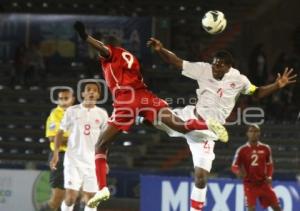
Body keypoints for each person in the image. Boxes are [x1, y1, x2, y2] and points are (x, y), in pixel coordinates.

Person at [73, 21, 230, 208]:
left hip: (126, 99)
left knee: (100, 145)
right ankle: (207, 125)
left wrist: (85, 37)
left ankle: (102, 188)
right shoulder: (130, 56)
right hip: (145, 96)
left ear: (108, 45)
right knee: (178, 125)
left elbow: (102, 49)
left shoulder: (110, 52)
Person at [147, 37, 296, 211]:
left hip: (205, 135)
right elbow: (178, 62)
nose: (214, 67)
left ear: (228, 66)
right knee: (151, 119)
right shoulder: (204, 69)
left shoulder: (239, 79)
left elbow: (256, 93)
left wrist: (277, 85)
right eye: (213, 64)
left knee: (201, 178)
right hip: (189, 116)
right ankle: (139, 116)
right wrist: (160, 49)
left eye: (218, 65)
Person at [49, 81, 108, 211]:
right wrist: (55, 154)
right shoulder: (72, 111)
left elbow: (105, 140)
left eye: (95, 90)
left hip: (92, 162)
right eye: (88, 89)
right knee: (70, 198)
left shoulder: (102, 114)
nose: (91, 91)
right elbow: (59, 132)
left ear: (98, 95)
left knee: (91, 200)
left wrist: (104, 161)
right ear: (83, 93)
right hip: (73, 160)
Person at [231, 125, 281, 211]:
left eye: (256, 131)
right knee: (251, 209)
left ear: (259, 133)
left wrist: (269, 176)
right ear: (247, 134)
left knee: (276, 207)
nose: (253, 133)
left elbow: (269, 164)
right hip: (249, 184)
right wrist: (238, 171)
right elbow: (234, 166)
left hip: (263, 183)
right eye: (251, 131)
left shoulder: (265, 148)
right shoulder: (242, 150)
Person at [40, 88, 74, 211]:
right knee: (57, 198)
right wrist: (75, 139)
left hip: (76, 157)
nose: (64, 101)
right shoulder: (54, 114)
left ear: (73, 99)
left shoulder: (79, 114)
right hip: (60, 156)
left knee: (73, 197)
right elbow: (52, 138)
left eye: (66, 98)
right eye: (61, 98)